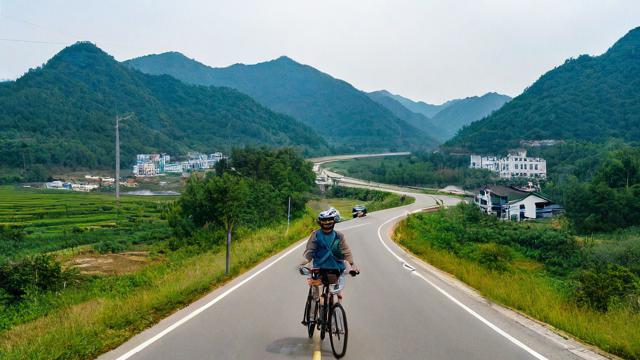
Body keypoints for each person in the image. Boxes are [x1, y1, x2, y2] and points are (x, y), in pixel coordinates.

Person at [299, 208, 359, 303]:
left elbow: (346, 252)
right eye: (325, 221)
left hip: (335, 269)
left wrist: (352, 265)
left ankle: (333, 307)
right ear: (320, 223)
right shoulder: (316, 235)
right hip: (319, 269)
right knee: (316, 294)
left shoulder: (339, 236)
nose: (327, 223)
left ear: (334, 221)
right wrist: (305, 261)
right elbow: (309, 251)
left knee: (336, 293)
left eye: (329, 220)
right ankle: (314, 311)